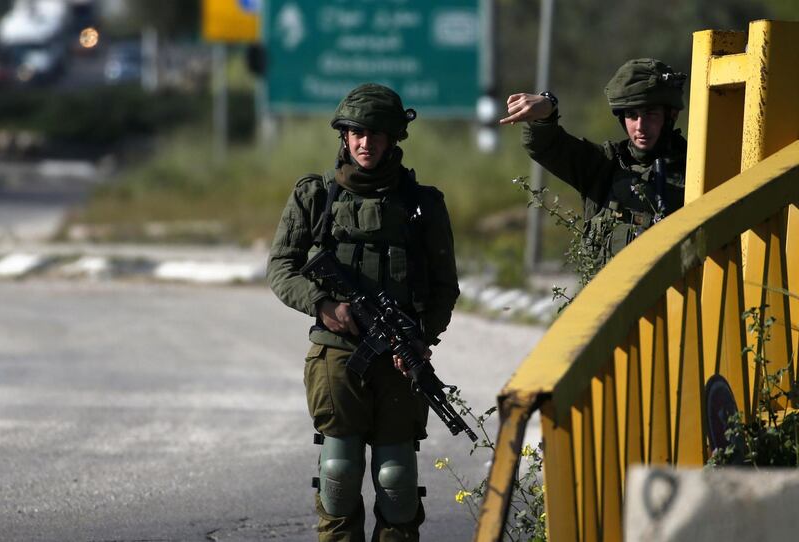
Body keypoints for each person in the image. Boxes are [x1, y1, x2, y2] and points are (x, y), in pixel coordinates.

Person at [266, 83, 459, 541]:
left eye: (375, 133)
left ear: (393, 138)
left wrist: (419, 340)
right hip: (336, 355)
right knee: (340, 470)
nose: (365, 142)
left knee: (396, 481)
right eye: (355, 132)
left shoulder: (422, 204)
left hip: (398, 359)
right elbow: (281, 268)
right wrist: (323, 305)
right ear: (344, 137)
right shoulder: (316, 197)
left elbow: (444, 288)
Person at [500, 58, 688, 267]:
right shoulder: (604, 166)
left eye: (650, 114)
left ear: (671, 115)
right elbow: (545, 145)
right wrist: (546, 111)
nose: (640, 126)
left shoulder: (697, 167)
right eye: (632, 115)